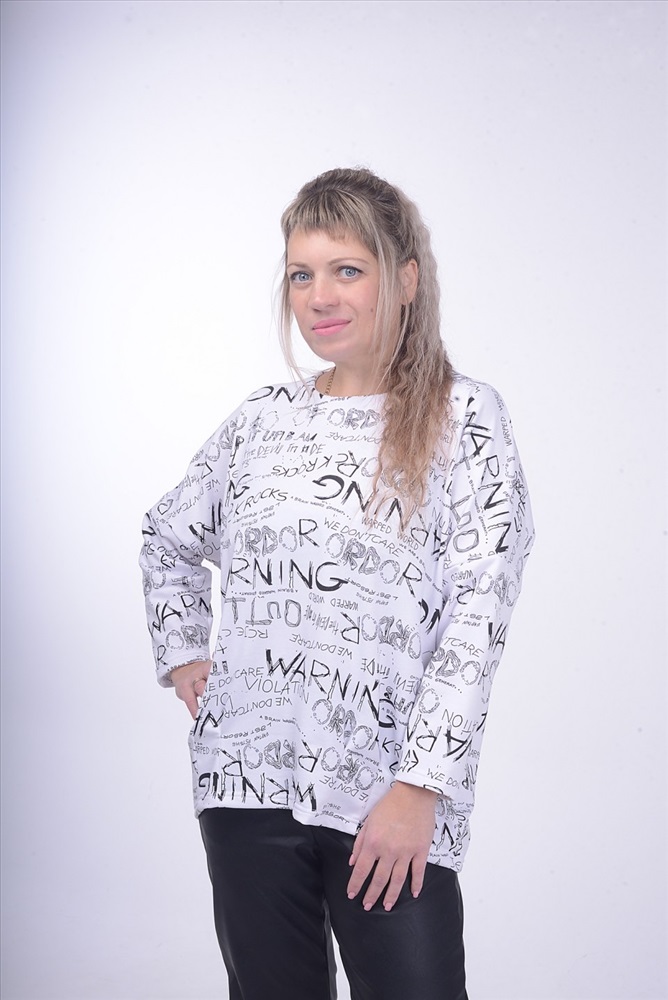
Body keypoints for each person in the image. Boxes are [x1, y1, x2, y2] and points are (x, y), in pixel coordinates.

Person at [140, 167, 534, 1000]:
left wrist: (420, 787)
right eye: (301, 274)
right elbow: (167, 535)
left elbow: (479, 614)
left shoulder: (467, 420)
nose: (319, 296)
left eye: (346, 270)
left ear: (405, 280)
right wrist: (185, 656)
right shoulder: (261, 420)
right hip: (245, 787)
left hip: (385, 796)